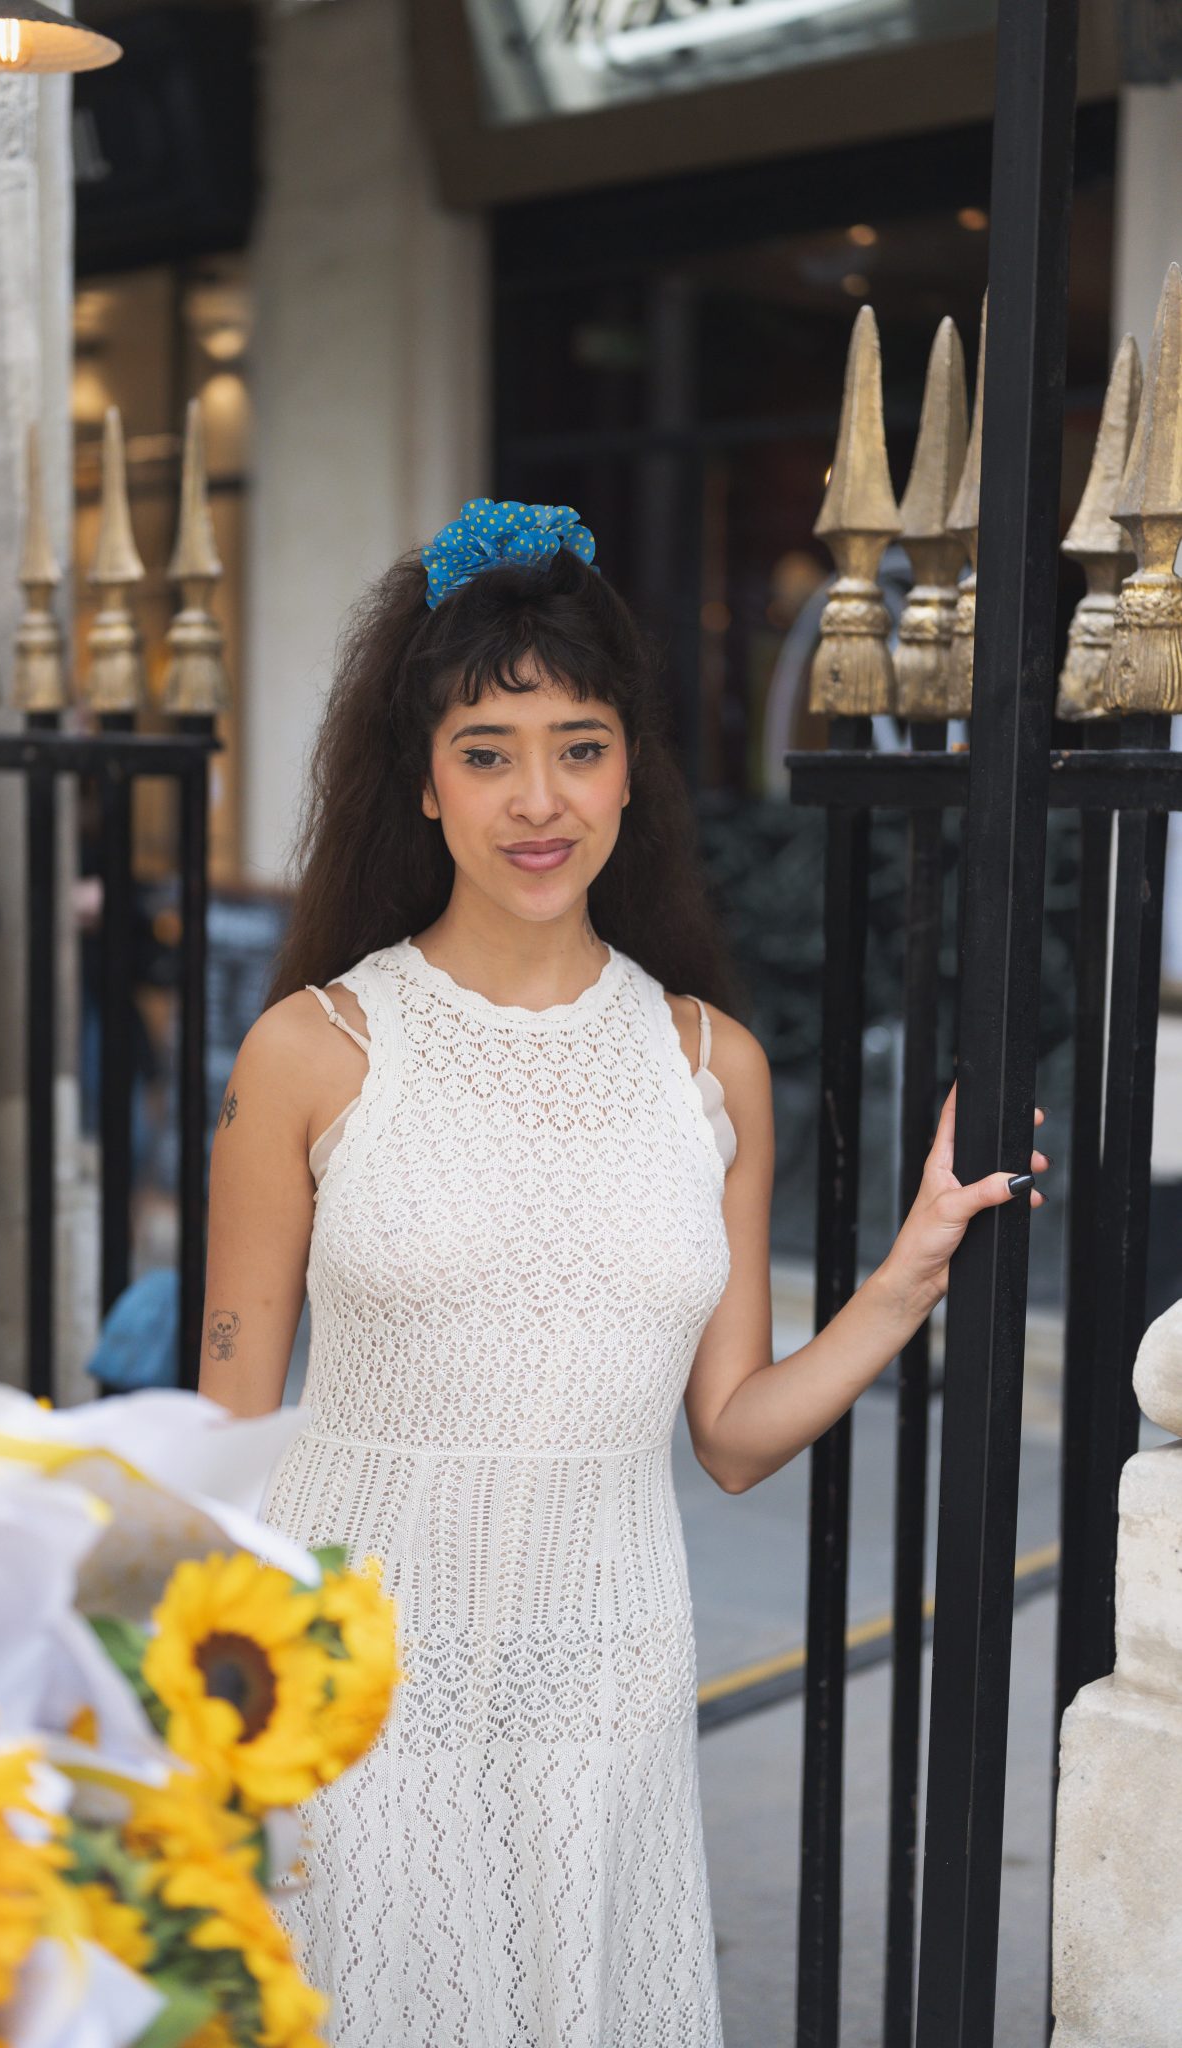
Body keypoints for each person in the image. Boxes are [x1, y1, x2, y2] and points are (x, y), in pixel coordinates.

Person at [198, 498, 1048, 2047]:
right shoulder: (314, 1051)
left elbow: (728, 1433)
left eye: (579, 746)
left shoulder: (705, 1064)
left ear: (628, 773)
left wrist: (910, 1267)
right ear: (423, 783)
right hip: (353, 1660)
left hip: (606, 1664)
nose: (540, 798)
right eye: (488, 751)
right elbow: (222, 1426)